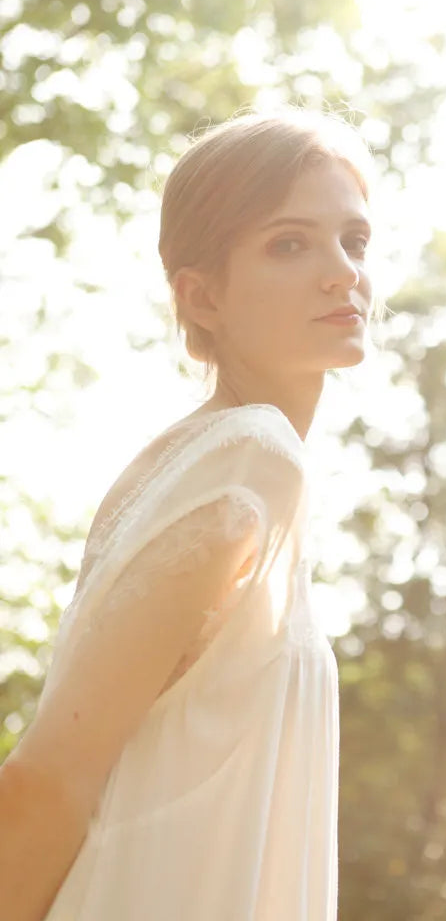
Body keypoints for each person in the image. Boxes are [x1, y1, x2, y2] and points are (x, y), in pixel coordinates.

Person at [0, 106, 384, 920]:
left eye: (354, 240)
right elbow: (52, 778)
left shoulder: (201, 459)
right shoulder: (250, 462)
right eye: (290, 243)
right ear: (201, 297)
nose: (341, 271)